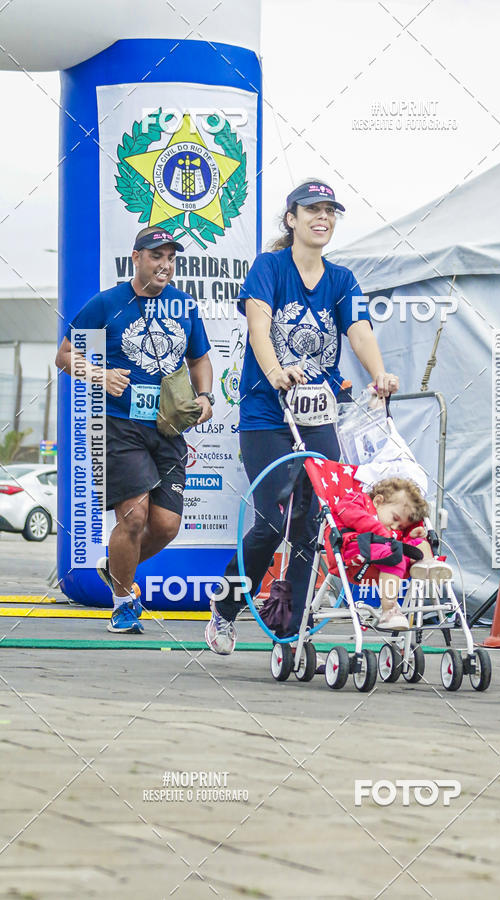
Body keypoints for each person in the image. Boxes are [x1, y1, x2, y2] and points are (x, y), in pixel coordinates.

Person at [205, 179, 400, 655]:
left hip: (318, 416)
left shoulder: (342, 279)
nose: (323, 217)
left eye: (330, 211)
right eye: (313, 209)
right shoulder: (269, 267)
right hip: (267, 413)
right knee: (271, 522)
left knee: (311, 525)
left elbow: (358, 331)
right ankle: (226, 609)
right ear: (291, 219)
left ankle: (289, 629)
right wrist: (274, 371)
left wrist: (379, 375)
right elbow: (258, 325)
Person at [56, 227, 213, 633]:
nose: (164, 265)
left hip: (168, 427)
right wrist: (100, 374)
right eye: (156, 256)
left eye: (171, 258)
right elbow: (65, 356)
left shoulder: (183, 305)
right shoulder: (107, 303)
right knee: (133, 517)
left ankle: (117, 565)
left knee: (165, 526)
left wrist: (207, 397)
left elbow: (200, 360)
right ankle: (124, 603)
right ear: (136, 258)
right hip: (119, 425)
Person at [332, 476, 451, 629]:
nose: (395, 526)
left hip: (386, 554)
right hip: (358, 549)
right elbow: (350, 513)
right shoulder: (358, 500)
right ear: (378, 501)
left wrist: (410, 536)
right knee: (394, 556)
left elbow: (394, 540)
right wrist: (382, 532)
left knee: (419, 543)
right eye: (394, 518)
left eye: (400, 526)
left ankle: (427, 564)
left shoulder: (391, 531)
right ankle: (389, 610)